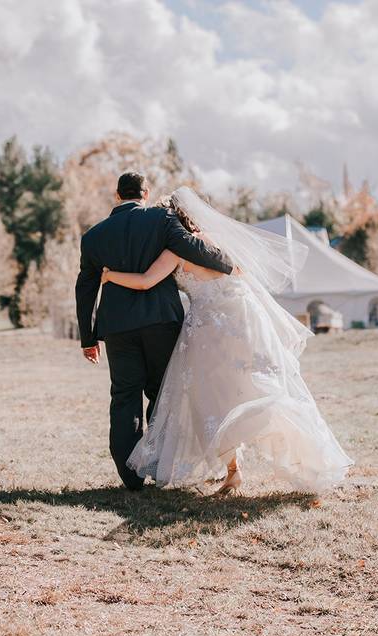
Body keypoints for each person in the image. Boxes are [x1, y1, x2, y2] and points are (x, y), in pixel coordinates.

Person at [102, 187, 353, 494]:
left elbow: (144, 282)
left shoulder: (174, 250)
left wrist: (109, 276)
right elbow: (241, 279)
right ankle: (304, 458)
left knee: (212, 401)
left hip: (208, 329)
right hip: (244, 319)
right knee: (261, 387)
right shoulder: (220, 243)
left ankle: (234, 471)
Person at [74, 173, 234, 490]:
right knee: (162, 394)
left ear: (117, 195)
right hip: (162, 322)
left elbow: (86, 288)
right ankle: (160, 467)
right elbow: (192, 249)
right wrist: (230, 264)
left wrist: (88, 338)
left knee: (124, 397)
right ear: (145, 194)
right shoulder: (161, 219)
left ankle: (131, 477)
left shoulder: (93, 236)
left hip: (117, 328)